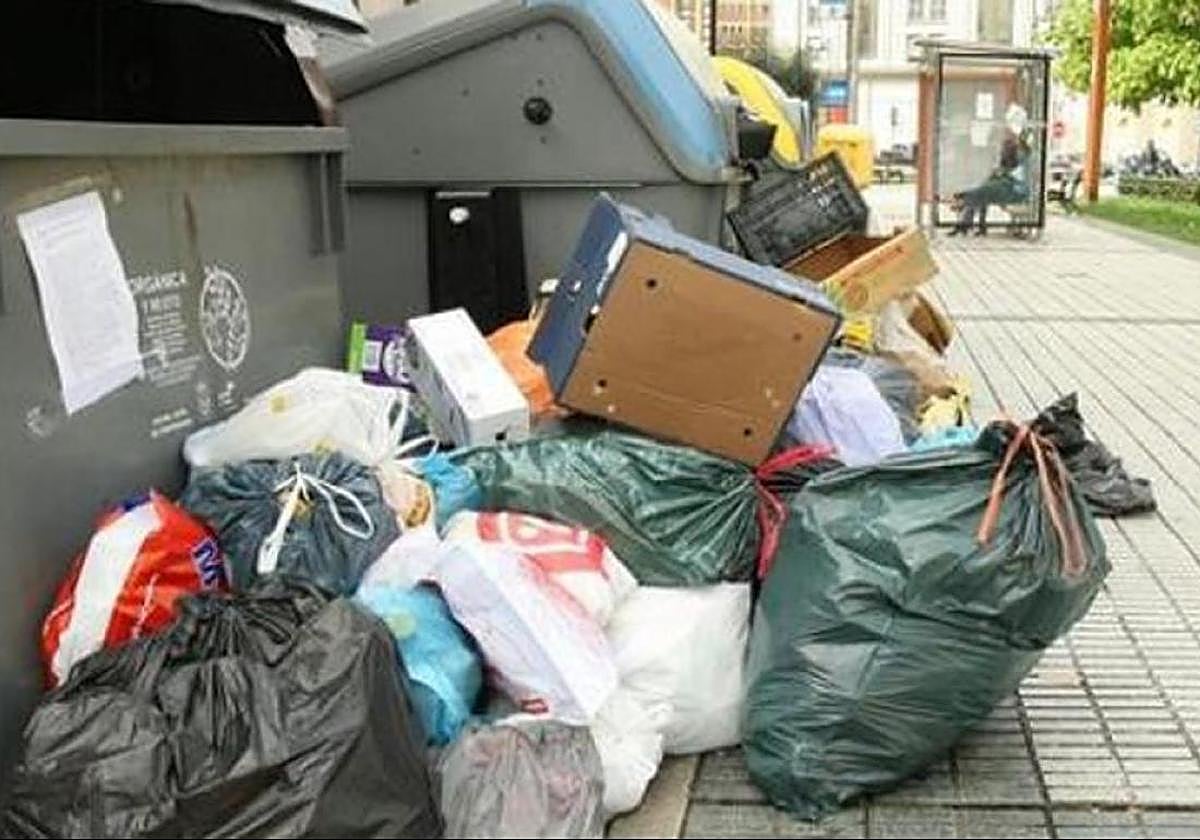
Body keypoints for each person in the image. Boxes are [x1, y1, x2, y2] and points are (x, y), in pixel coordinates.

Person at [950, 103, 1031, 236]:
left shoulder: (1020, 149)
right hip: (1004, 182)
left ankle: (964, 218)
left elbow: (1017, 171)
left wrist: (1001, 172)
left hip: (1012, 187)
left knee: (979, 191)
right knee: (980, 189)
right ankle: (970, 223)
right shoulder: (1010, 144)